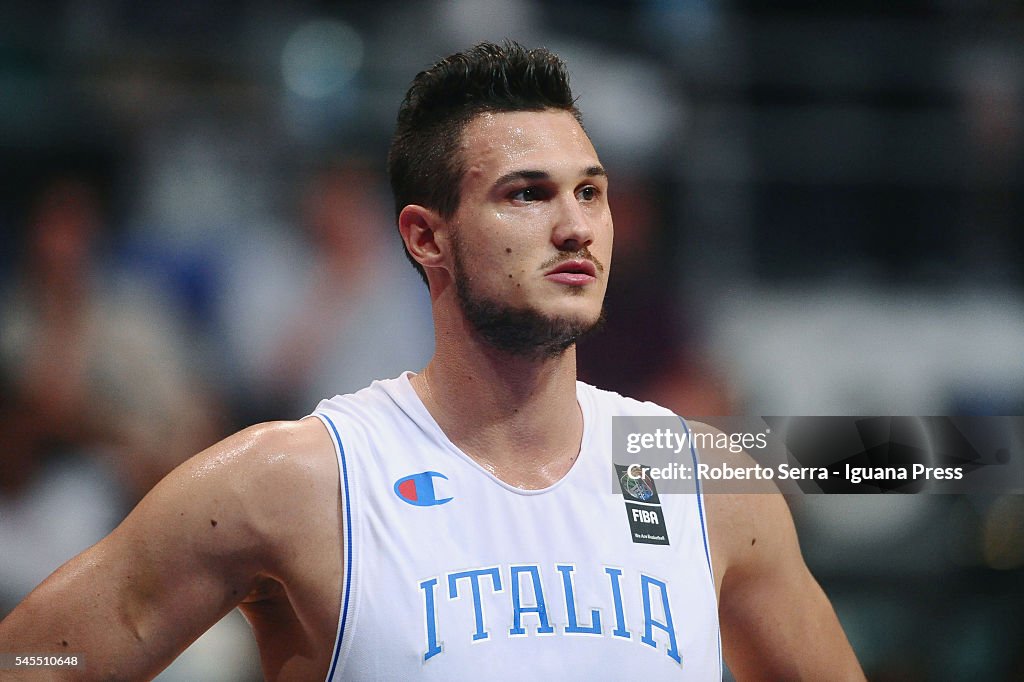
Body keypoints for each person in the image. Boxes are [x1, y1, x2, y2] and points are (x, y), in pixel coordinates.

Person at [0, 42, 863, 680]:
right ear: (426, 236)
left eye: (589, 191)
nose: (575, 225)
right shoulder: (292, 481)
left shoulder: (707, 482)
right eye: (528, 193)